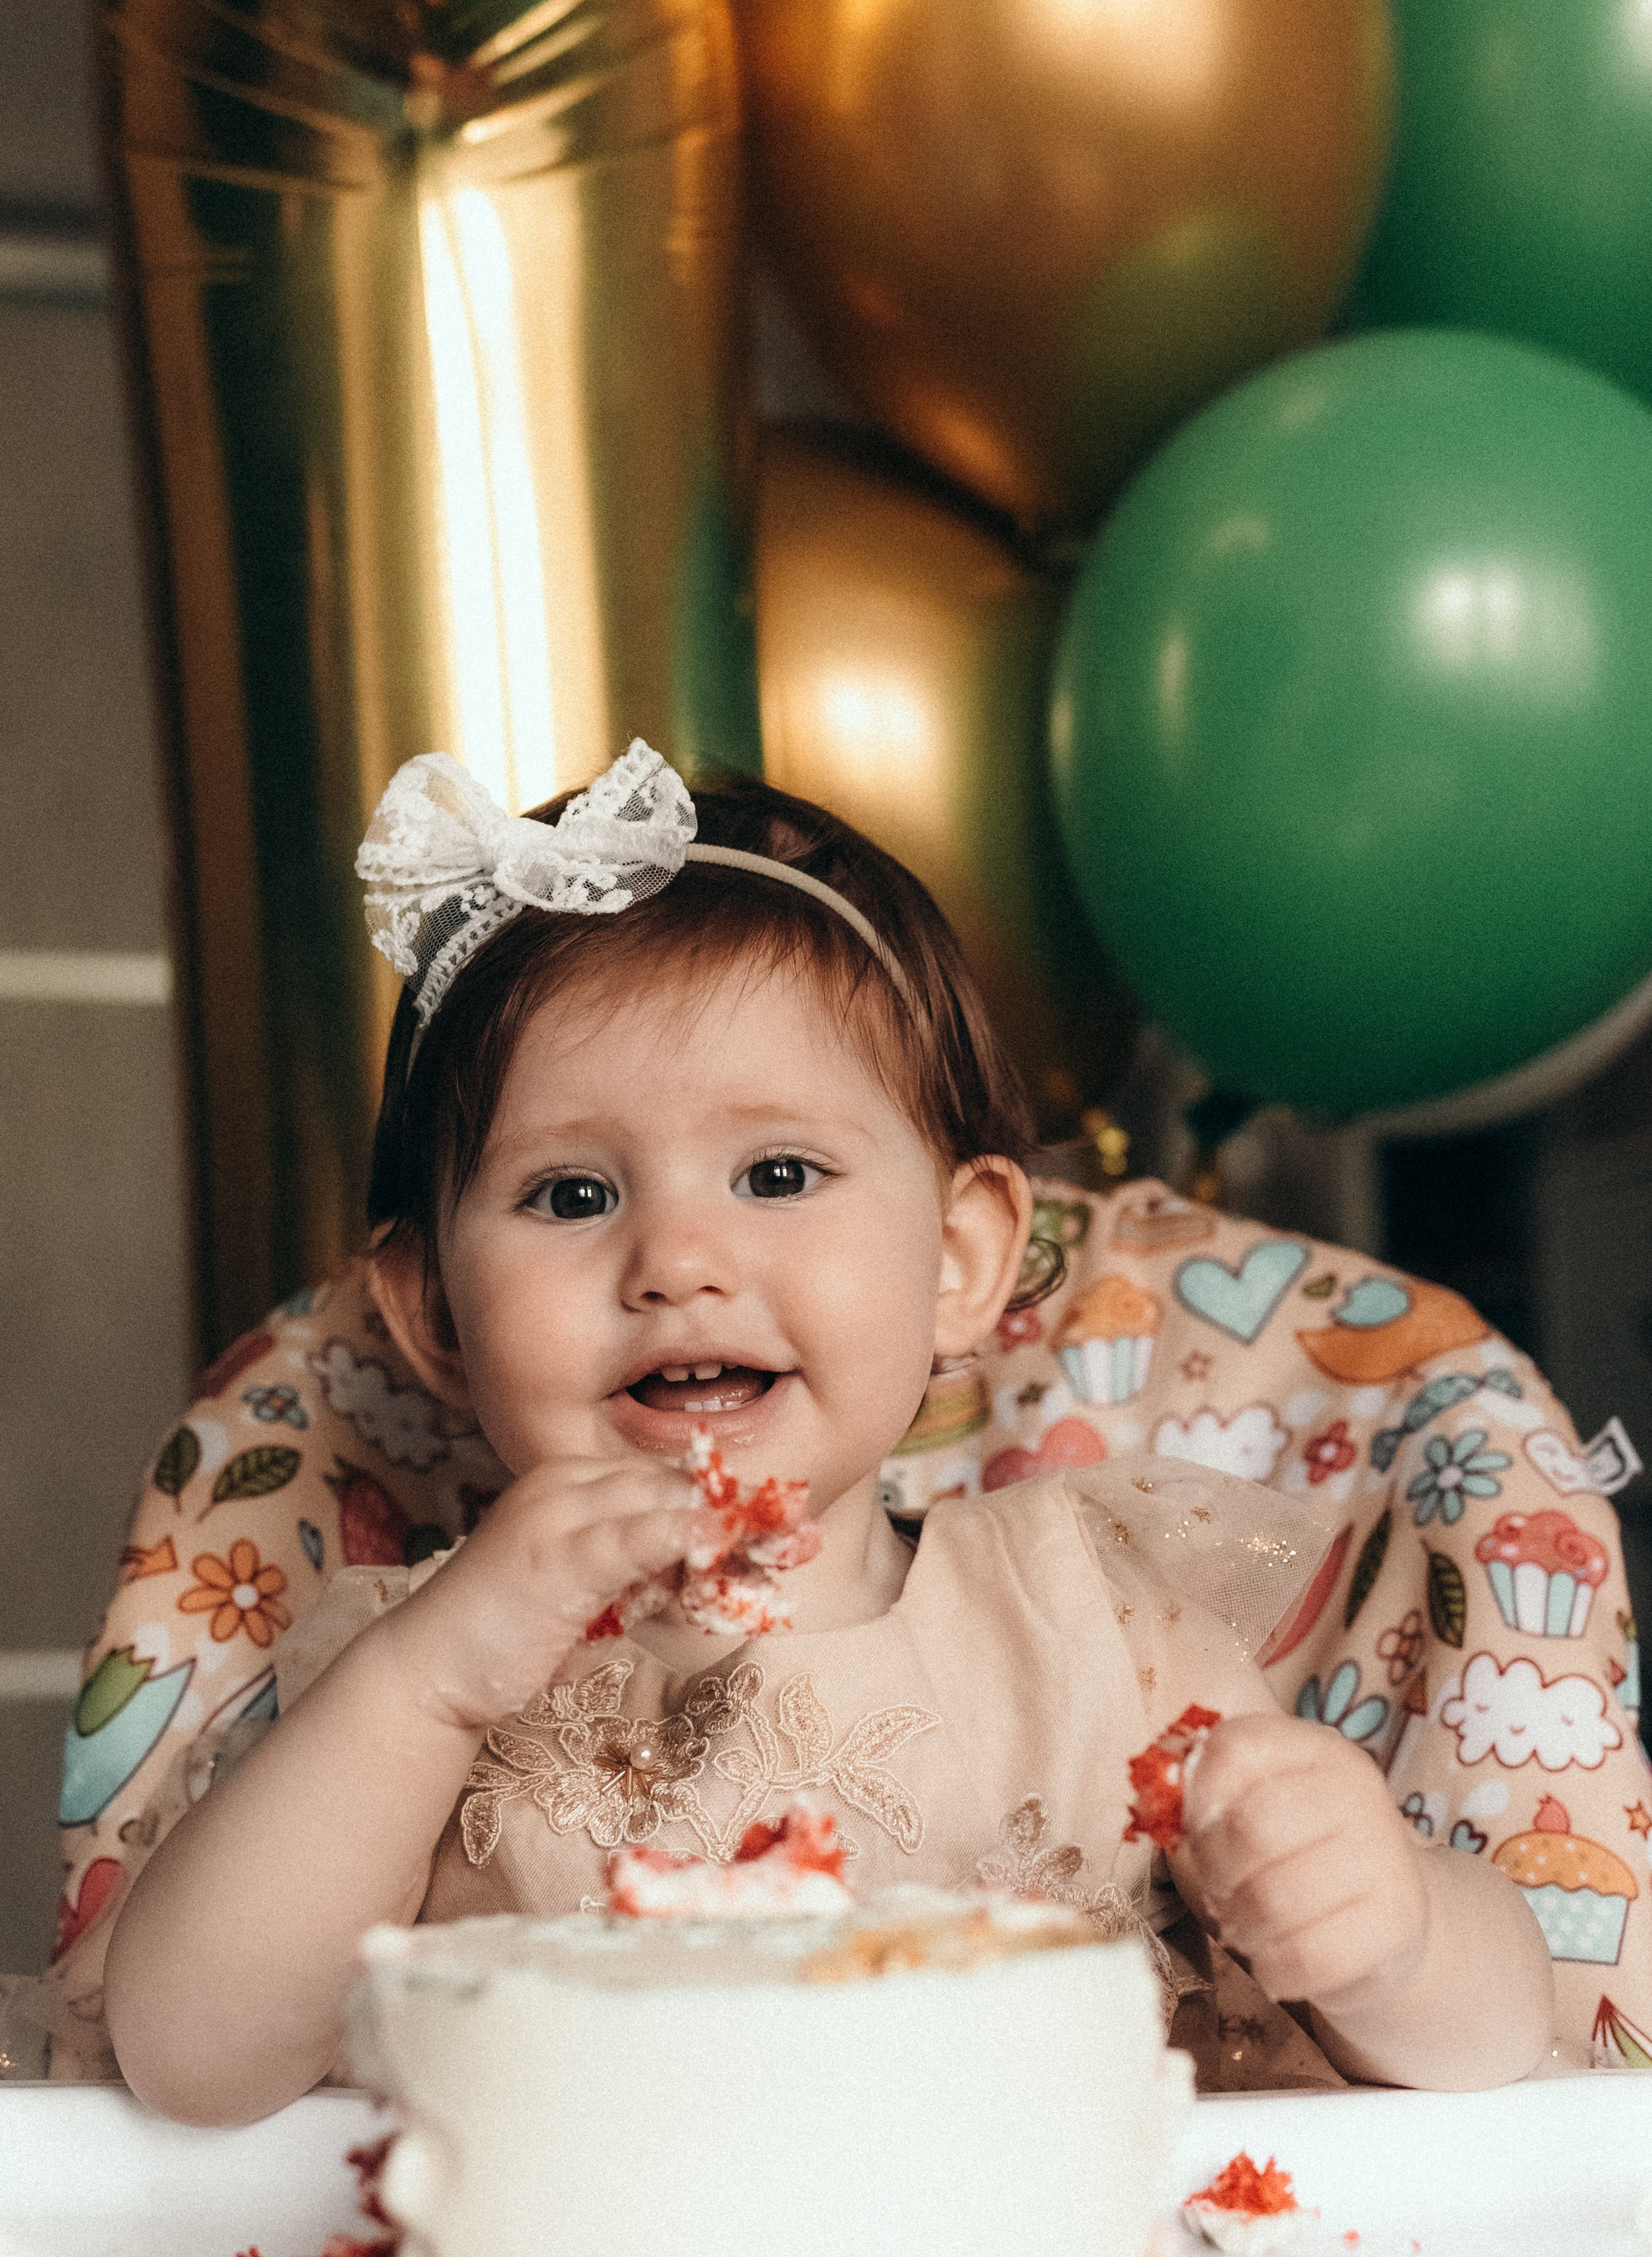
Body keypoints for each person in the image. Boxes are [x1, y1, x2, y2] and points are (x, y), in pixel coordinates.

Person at [73, 739, 1559, 2125]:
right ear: (436, 1319)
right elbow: (191, 2062)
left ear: (962, 1259)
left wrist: (1387, 1933)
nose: (676, 1258)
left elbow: (1498, 2054)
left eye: (778, 1172)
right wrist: (430, 1685)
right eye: (571, 1196)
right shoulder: (409, 1679)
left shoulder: (1100, 1630)